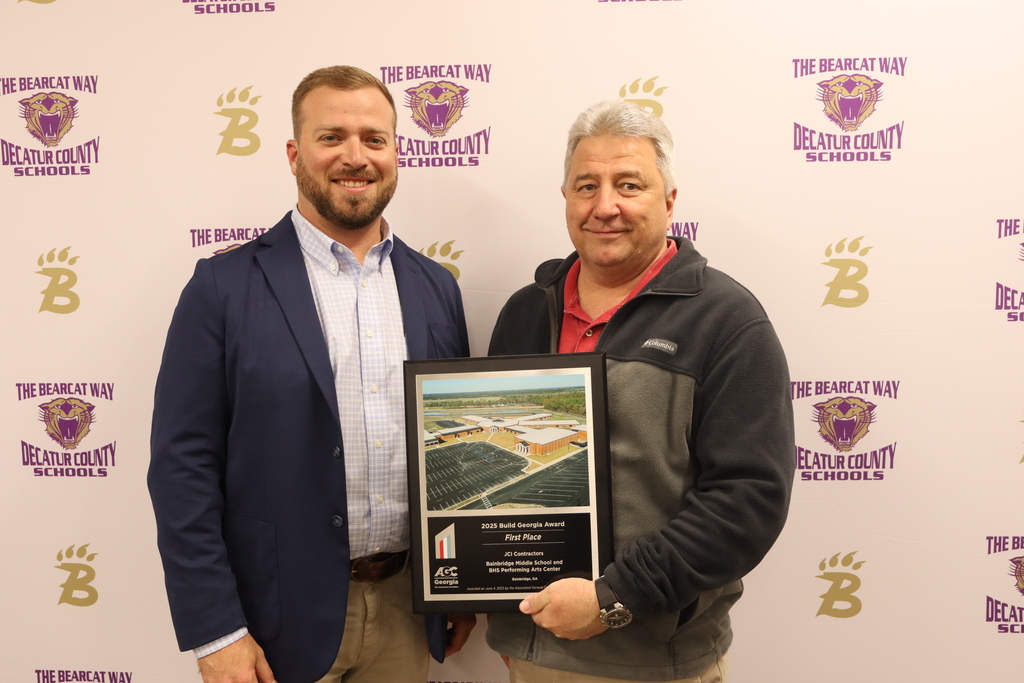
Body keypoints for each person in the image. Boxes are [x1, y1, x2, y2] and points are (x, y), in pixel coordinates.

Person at [148, 65, 475, 683]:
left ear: (397, 153)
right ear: (295, 154)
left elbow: (450, 452)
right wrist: (216, 630)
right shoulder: (221, 287)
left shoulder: (436, 287)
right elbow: (180, 467)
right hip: (273, 625)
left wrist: (454, 583)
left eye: (374, 139)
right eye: (332, 137)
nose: (356, 156)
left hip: (409, 611)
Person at [485, 100, 795, 682]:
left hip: (652, 662)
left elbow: (747, 501)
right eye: (586, 186)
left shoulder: (727, 321)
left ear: (669, 200)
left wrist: (615, 596)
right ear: (566, 198)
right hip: (530, 650)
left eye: (629, 185)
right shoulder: (527, 311)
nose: (606, 207)